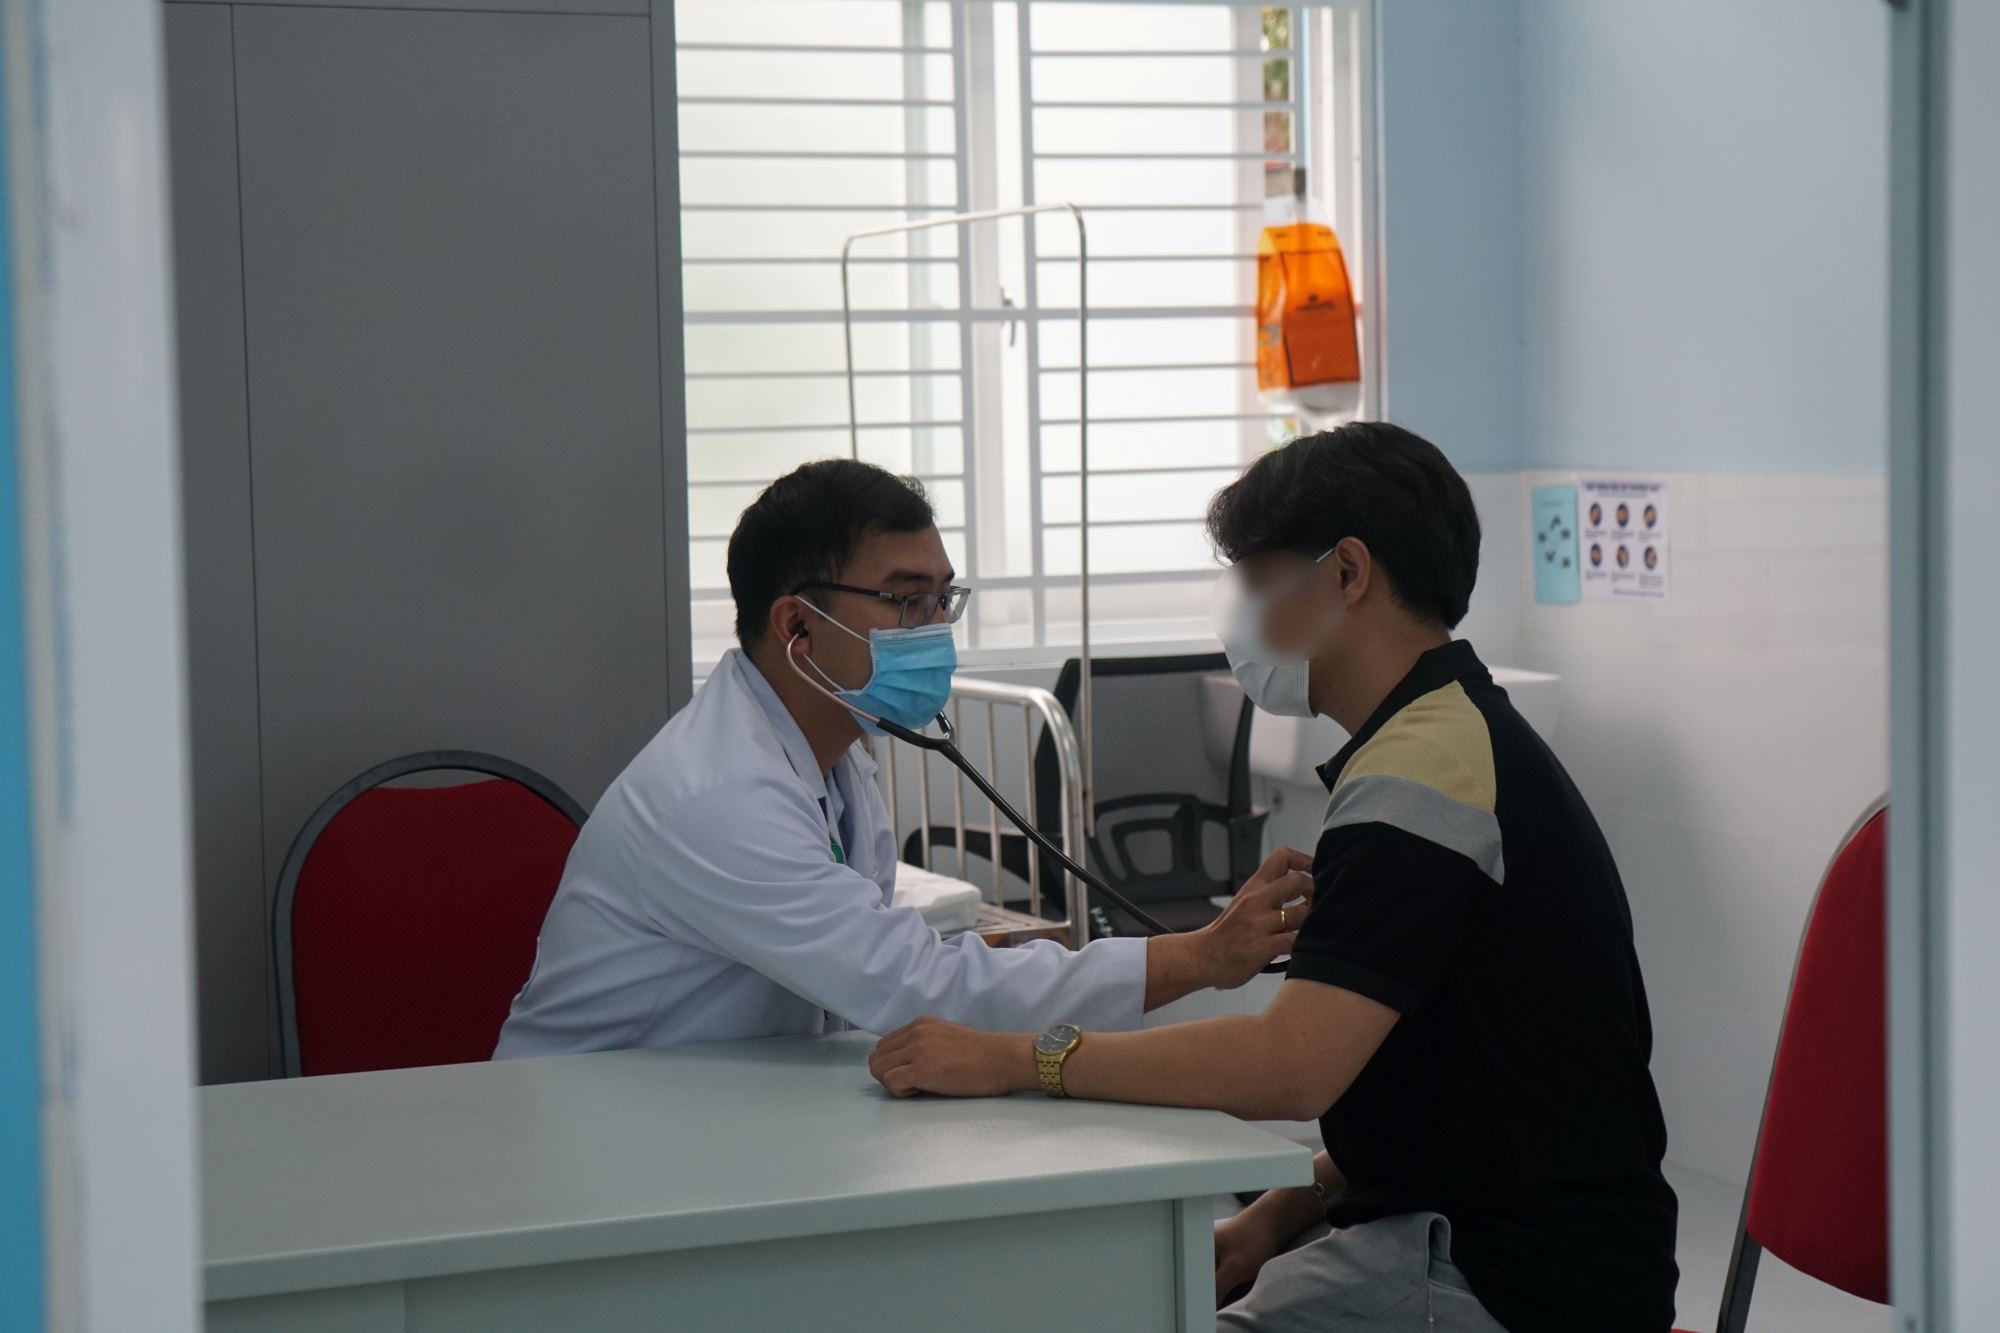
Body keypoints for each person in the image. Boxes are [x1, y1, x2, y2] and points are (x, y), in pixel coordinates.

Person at [865, 424, 1680, 1333]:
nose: (1240, 616)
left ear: (1346, 574)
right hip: (1513, 1234)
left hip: (1516, 1279)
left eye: (1255, 581)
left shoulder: (1424, 773)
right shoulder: (1447, 734)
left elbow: (1290, 1068)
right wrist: (1279, 1212)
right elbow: (1450, 1077)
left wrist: (1016, 1057)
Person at [495, 459, 1306, 1057]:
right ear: (796, 626)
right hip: (593, 1134)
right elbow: (918, 985)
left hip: (713, 1109)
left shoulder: (835, 754)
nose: (933, 628)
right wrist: (1197, 954)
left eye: (942, 598)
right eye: (904, 599)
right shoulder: (720, 792)